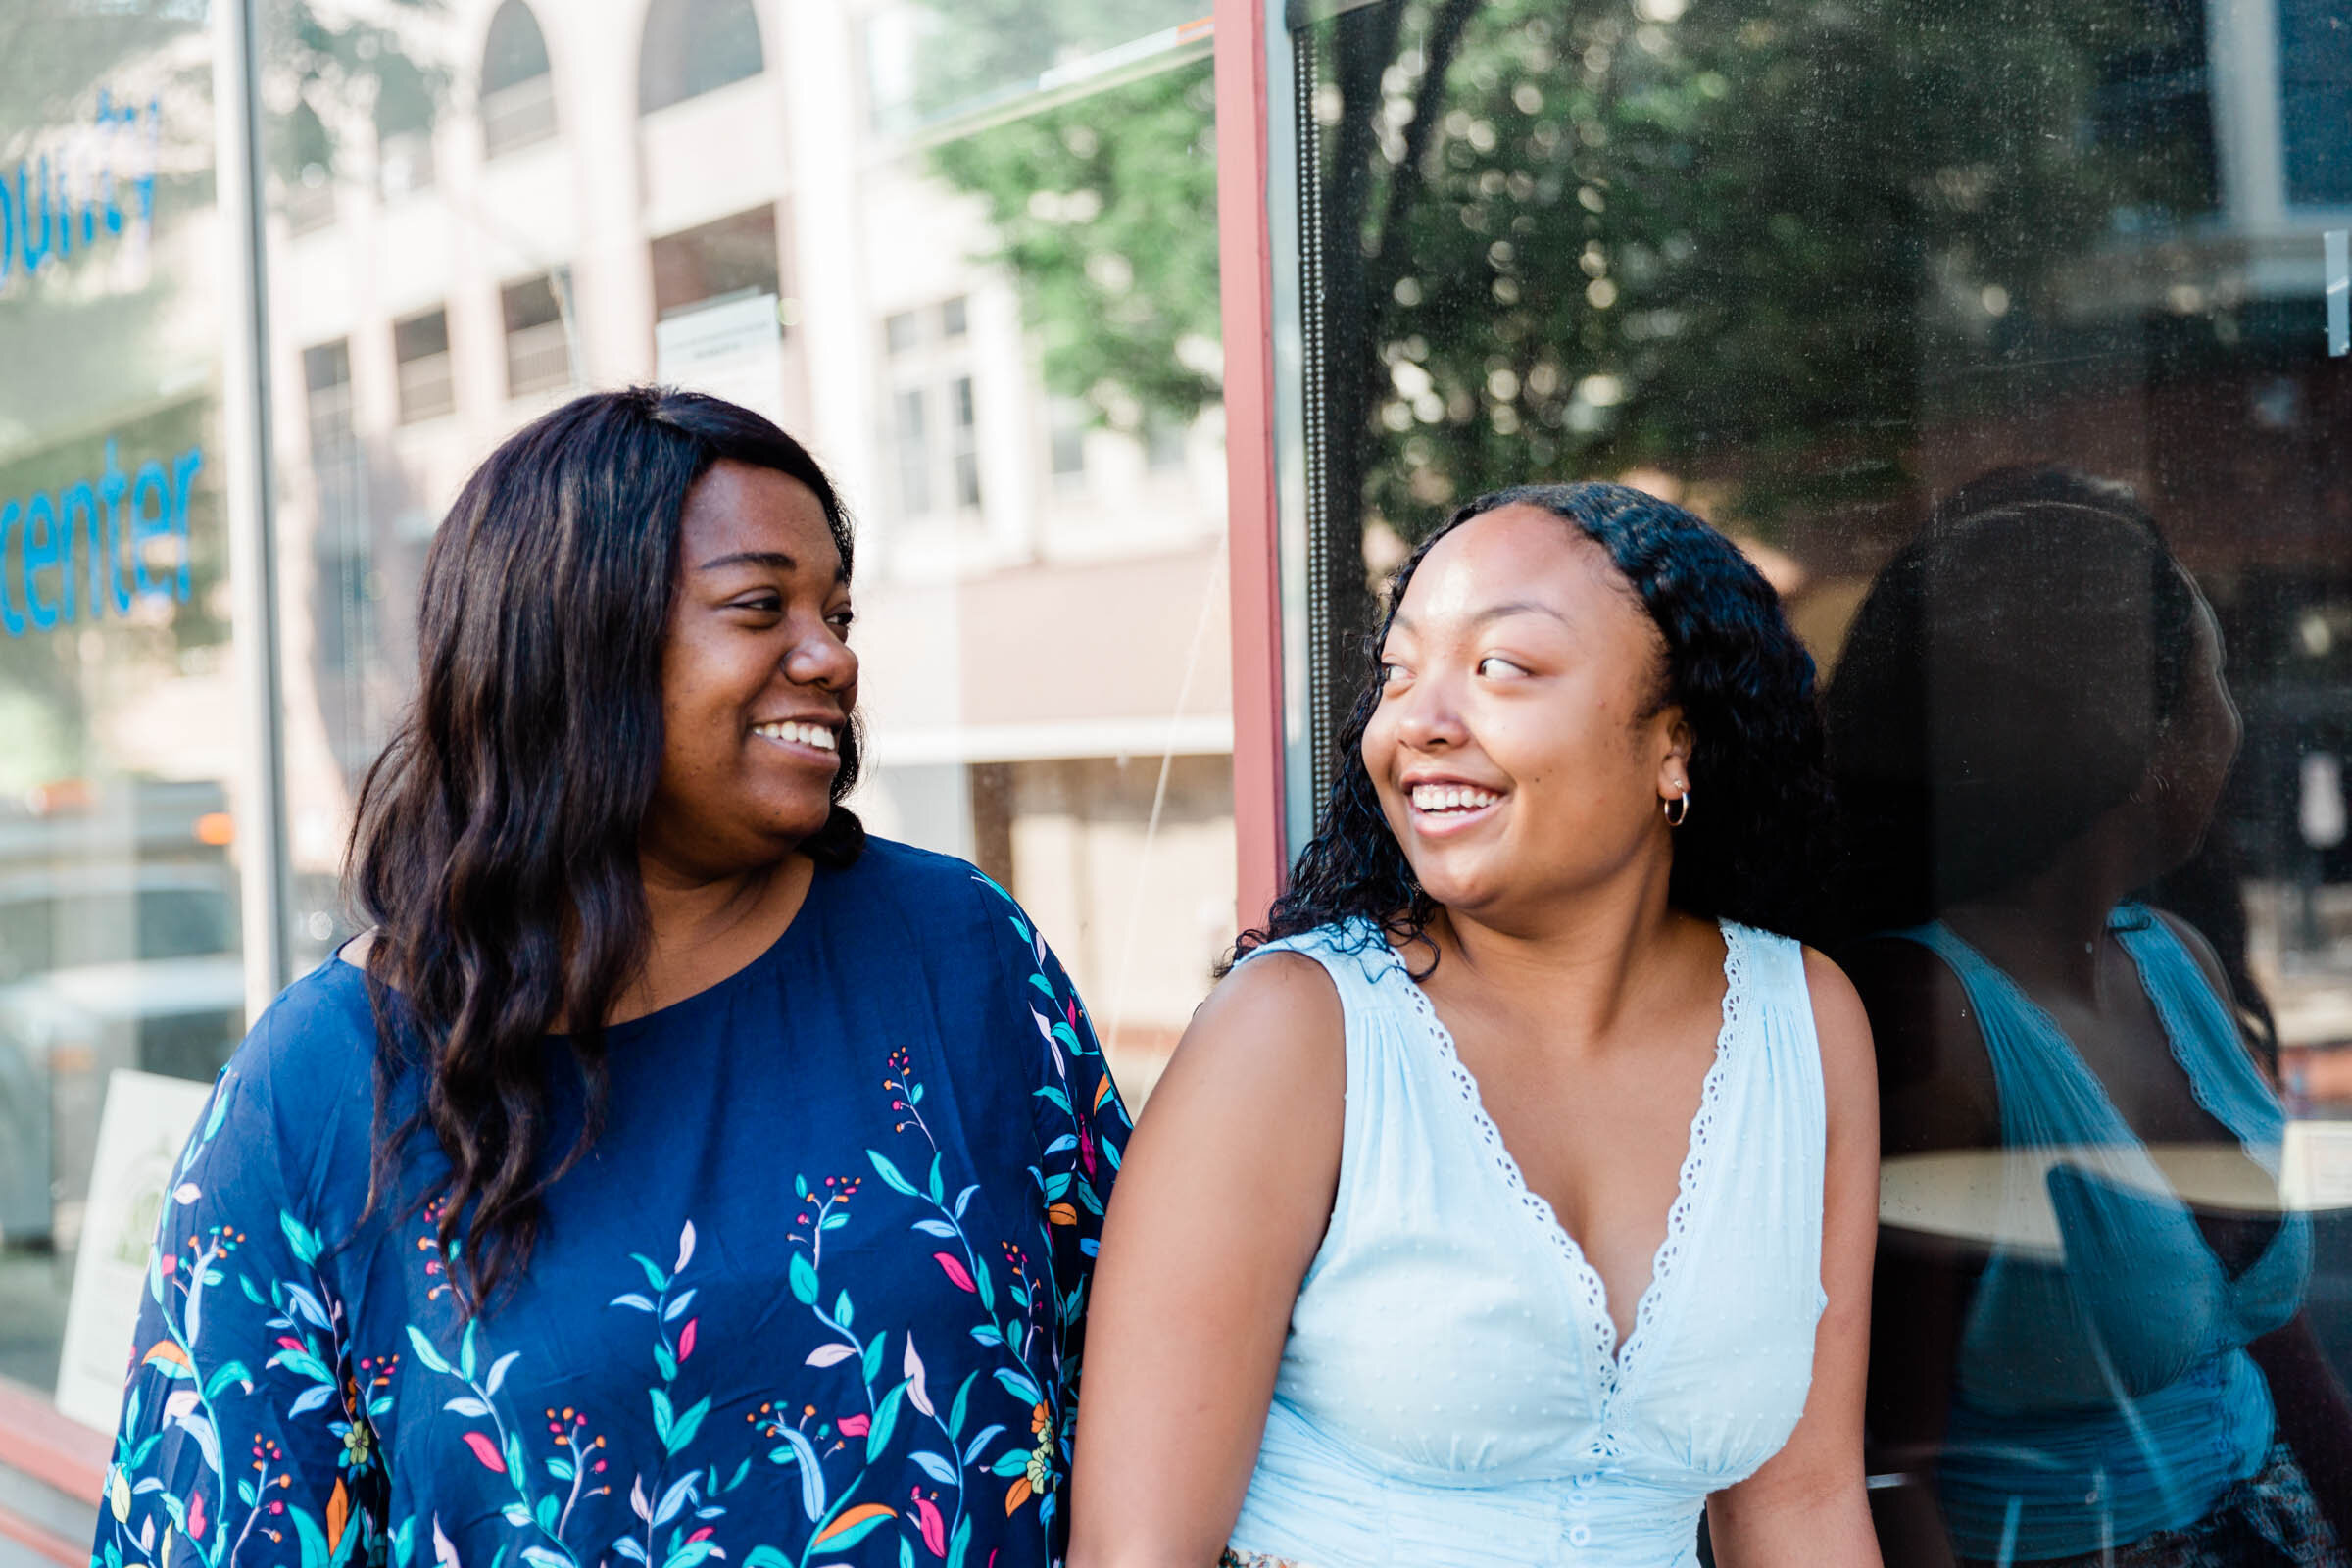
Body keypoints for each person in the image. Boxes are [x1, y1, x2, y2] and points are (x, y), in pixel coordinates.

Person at [90, 389, 1126, 1568]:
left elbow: (1156, 1387)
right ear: (571, 650)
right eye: (760, 606)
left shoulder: (962, 954)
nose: (831, 654)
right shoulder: (324, 1089)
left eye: (837, 610)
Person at [1069, 483, 1882, 1568]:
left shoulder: (1807, 1025)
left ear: (1675, 742)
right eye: (1399, 672)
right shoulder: (1295, 1033)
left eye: (1502, 668)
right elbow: (1139, 1554)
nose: (1419, 721)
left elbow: (1806, 1505)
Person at [1827, 484, 2352, 1566]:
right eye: (2214, 688)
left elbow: (2281, 1358)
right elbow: (1884, 1462)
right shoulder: (1937, 1024)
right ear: (2139, 741)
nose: (2238, 726)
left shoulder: (2175, 957)